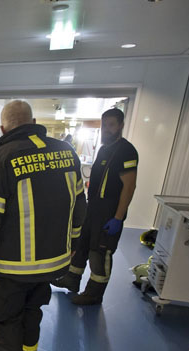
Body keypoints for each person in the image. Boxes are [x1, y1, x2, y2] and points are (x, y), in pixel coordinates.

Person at [0, 100, 86, 351]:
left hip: (12, 264)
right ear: (33, 120)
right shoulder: (65, 153)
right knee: (33, 311)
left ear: (4, 128)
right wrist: (72, 244)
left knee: (7, 316)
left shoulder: (1, 158)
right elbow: (80, 206)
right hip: (53, 261)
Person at [52, 108, 139, 306]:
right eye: (104, 125)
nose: (107, 130)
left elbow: (129, 186)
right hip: (93, 209)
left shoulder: (126, 151)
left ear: (121, 126)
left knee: (99, 252)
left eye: (111, 125)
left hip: (109, 212)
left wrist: (118, 217)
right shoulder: (104, 149)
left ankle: (94, 292)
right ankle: (71, 279)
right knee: (82, 246)